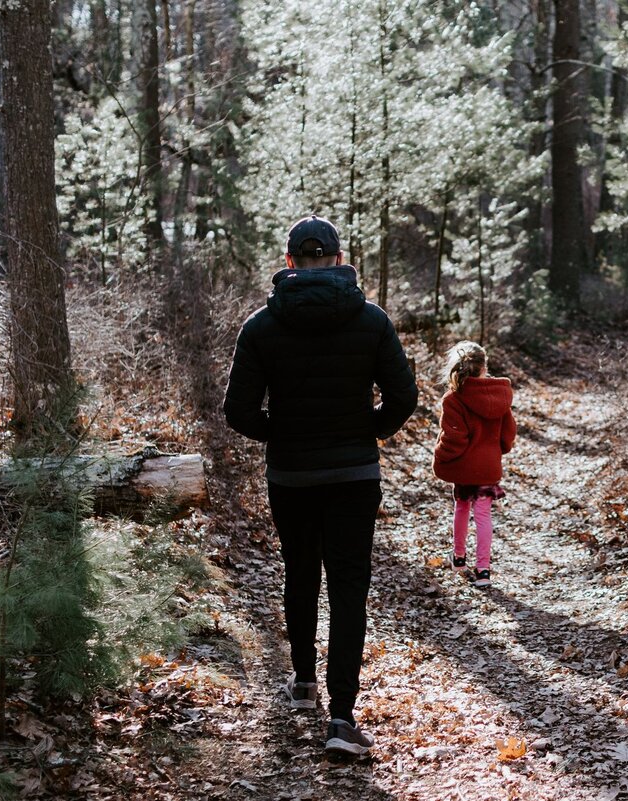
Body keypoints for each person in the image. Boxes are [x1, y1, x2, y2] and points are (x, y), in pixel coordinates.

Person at [223, 215, 417, 756]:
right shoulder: (371, 320)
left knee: (300, 571)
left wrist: (281, 435)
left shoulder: (261, 325)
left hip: (292, 474)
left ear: (290, 262)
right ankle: (342, 718)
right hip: (354, 475)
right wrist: (366, 433)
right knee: (349, 588)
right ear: (337, 260)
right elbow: (404, 398)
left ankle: (303, 682)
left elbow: (237, 411)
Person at [432, 342, 516, 588]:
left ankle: (458, 558)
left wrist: (440, 456)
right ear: (484, 366)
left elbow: (454, 440)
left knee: (461, 507)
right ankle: (484, 571)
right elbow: (508, 433)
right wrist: (496, 451)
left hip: (464, 467)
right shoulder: (500, 395)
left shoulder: (454, 398)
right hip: (488, 466)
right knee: (483, 515)